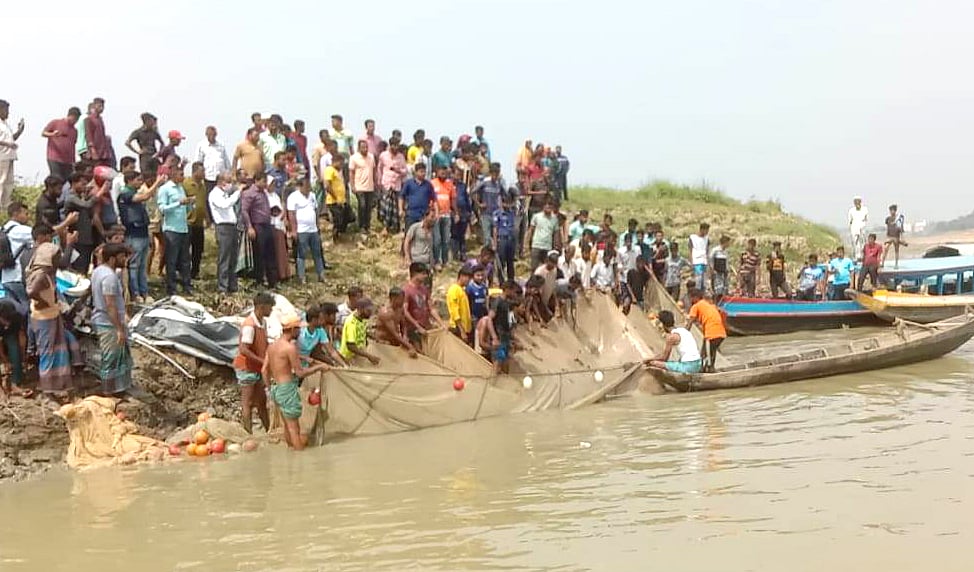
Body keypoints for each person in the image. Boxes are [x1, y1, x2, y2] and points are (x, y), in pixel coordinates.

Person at [263, 313, 329, 450]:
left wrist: (270, 389)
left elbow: (264, 370)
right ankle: (299, 458)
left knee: (287, 426)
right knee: (294, 428)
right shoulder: (289, 348)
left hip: (276, 389)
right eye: (298, 329)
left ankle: (291, 456)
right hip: (287, 388)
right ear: (292, 330)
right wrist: (319, 367)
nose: (300, 331)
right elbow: (300, 373)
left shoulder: (272, 346)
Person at [26, 242, 82, 396]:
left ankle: (56, 386)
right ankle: (47, 391)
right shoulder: (41, 275)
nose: (59, 260)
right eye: (57, 257)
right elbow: (31, 292)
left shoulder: (45, 273)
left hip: (50, 316)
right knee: (48, 353)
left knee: (56, 351)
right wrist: (44, 302)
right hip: (44, 318)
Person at [91, 243, 134, 396]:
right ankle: (109, 392)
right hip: (108, 323)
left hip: (105, 319)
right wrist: (119, 329)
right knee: (111, 358)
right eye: (122, 257)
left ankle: (118, 389)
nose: (125, 260)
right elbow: (110, 305)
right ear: (112, 259)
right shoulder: (109, 277)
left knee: (116, 356)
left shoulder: (98, 271)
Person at [117, 171, 164, 302]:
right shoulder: (125, 194)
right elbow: (145, 196)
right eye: (138, 180)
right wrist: (157, 183)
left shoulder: (133, 193)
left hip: (142, 232)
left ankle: (144, 292)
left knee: (142, 265)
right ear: (129, 180)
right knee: (134, 265)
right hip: (133, 234)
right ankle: (135, 293)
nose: (140, 182)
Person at [233, 292, 274, 433]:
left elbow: (264, 343)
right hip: (247, 367)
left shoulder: (262, 322)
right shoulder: (250, 325)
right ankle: (248, 434)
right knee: (248, 402)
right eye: (270, 308)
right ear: (262, 307)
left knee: (262, 402)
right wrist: (263, 361)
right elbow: (244, 349)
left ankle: (269, 430)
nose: (272, 310)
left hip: (257, 367)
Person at [157, 167, 194, 295]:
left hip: (183, 227)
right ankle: (171, 287)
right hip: (171, 229)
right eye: (181, 174)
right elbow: (162, 208)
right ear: (173, 174)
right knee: (171, 260)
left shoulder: (180, 188)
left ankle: (187, 285)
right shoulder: (165, 189)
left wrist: (189, 204)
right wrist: (178, 203)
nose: (183, 176)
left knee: (185, 259)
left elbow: (185, 208)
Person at [241, 175, 278, 288]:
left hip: (267, 225)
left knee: (271, 254)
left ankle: (272, 281)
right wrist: (249, 227)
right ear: (256, 181)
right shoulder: (249, 193)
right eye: (263, 181)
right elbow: (244, 211)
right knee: (259, 254)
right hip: (257, 226)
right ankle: (260, 280)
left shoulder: (263, 192)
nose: (265, 183)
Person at [208, 172, 242, 294]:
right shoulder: (215, 194)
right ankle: (223, 286)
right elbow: (224, 205)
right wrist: (238, 192)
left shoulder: (225, 194)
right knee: (225, 257)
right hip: (223, 227)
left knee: (233, 257)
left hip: (232, 227)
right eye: (228, 182)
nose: (230, 184)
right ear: (222, 182)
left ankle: (232, 285)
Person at [286, 177, 324, 284]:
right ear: (300, 186)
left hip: (313, 229)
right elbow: (291, 214)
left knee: (317, 253)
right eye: (306, 187)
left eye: (309, 186)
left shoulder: (312, 196)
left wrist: (317, 224)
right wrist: (294, 230)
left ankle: (321, 275)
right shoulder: (293, 197)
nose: (308, 189)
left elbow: (315, 210)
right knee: (301, 254)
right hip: (301, 230)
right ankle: (301, 276)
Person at [63, 173, 101, 273]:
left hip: (86, 239)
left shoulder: (80, 197)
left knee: (85, 266)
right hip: (78, 240)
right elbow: (86, 205)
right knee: (78, 267)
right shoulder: (71, 197)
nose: (84, 187)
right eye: (82, 184)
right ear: (74, 183)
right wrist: (100, 193)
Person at [1, 202, 34, 310]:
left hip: (5, 277)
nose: (27, 217)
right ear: (16, 214)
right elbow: (43, 234)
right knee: (26, 308)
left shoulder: (2, 230)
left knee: (11, 311)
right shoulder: (21, 230)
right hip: (18, 276)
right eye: (25, 213)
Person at [375, 287, 420, 357]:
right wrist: (410, 346)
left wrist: (405, 336)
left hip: (395, 341)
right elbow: (394, 334)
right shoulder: (386, 313)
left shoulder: (400, 308)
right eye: (401, 299)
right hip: (384, 342)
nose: (403, 301)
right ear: (393, 298)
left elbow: (403, 325)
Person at [183, 162, 210, 279]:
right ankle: (184, 272)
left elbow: (203, 203)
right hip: (188, 221)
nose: (204, 173)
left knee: (198, 249)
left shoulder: (203, 186)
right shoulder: (186, 184)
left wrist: (207, 218)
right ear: (195, 171)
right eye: (202, 171)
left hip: (199, 222)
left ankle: (195, 272)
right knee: (185, 249)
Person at [403, 262, 443, 338]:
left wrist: (441, 323)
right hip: (413, 329)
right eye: (423, 274)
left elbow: (431, 308)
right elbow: (405, 311)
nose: (425, 276)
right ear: (415, 274)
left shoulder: (424, 289)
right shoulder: (406, 290)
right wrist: (417, 326)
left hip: (426, 326)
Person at [488, 281, 520, 374]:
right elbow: (489, 319)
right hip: (499, 337)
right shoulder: (498, 302)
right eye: (513, 291)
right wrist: (494, 338)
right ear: (507, 290)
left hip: (506, 337)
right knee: (498, 362)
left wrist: (513, 337)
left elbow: (511, 320)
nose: (514, 294)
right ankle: (492, 384)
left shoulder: (509, 303)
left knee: (506, 361)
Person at [42, 107, 81, 180]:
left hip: (68, 161)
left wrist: (73, 161)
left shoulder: (74, 131)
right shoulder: (56, 123)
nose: (75, 121)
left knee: (68, 182)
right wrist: (53, 134)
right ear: (71, 116)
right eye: (75, 119)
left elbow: (73, 145)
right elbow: (43, 133)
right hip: (55, 158)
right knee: (57, 179)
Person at [377, 139, 407, 234]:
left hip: (396, 185)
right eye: (394, 145)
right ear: (390, 145)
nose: (395, 147)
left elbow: (405, 171)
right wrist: (379, 181)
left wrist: (398, 171)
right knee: (386, 207)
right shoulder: (383, 155)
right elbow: (379, 168)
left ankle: (395, 228)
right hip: (386, 183)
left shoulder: (401, 157)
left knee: (395, 208)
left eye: (397, 145)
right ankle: (385, 228)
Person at [339, 298, 381, 365]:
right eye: (368, 311)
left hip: (359, 353)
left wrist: (375, 338)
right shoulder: (351, 323)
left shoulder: (362, 318)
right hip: (349, 357)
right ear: (360, 309)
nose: (370, 314)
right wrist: (369, 356)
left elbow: (362, 330)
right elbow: (351, 346)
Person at [1, 101, 26, 209]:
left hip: (9, 155)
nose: (8, 113)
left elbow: (11, 139)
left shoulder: (5, 124)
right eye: (6, 110)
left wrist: (19, 131)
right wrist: (8, 144)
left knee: (9, 182)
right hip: (1, 155)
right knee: (1, 180)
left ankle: (6, 205)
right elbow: (6, 142)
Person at [349, 140, 377, 236]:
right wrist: (352, 186)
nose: (365, 149)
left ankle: (367, 226)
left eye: (366, 147)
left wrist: (375, 182)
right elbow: (351, 173)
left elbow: (374, 170)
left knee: (369, 208)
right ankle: (361, 226)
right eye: (363, 147)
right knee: (362, 206)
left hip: (370, 186)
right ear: (359, 148)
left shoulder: (371, 157)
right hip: (359, 186)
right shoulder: (354, 158)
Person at [0, 298, 27, 397]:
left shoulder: (18, 315)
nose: (8, 322)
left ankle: (15, 383)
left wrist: (23, 356)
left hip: (10, 333)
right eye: (5, 319)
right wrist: (5, 361)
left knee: (14, 349)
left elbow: (21, 337)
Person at [430, 165, 456, 269]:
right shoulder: (432, 183)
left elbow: (453, 199)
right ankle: (437, 262)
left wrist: (456, 212)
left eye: (445, 172)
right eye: (441, 172)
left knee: (446, 240)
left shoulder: (450, 184)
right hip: (436, 215)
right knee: (437, 240)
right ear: (437, 172)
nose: (443, 174)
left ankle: (445, 261)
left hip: (447, 215)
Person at [125, 113, 164, 177]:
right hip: (145, 157)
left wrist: (159, 153)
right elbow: (127, 143)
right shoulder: (138, 132)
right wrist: (138, 152)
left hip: (154, 155)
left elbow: (162, 143)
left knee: (157, 175)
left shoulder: (154, 132)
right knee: (145, 175)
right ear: (147, 121)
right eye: (152, 121)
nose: (153, 123)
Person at [399, 162, 435, 230]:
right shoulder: (409, 183)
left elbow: (434, 199)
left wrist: (433, 212)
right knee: (409, 235)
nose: (423, 174)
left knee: (422, 236)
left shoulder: (428, 185)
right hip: (411, 215)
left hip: (423, 215)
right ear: (415, 172)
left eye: (424, 172)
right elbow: (401, 197)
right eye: (421, 172)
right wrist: (401, 209)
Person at [525, 199, 559, 269]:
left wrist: (556, 246)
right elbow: (531, 230)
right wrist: (526, 244)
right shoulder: (536, 216)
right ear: (543, 206)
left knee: (546, 268)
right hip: (536, 245)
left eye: (550, 205)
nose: (548, 207)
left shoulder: (555, 219)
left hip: (547, 247)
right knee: (534, 267)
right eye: (546, 205)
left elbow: (556, 234)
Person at [195, 126, 230, 192]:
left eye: (214, 134)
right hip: (208, 178)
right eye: (210, 134)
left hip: (220, 178)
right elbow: (198, 162)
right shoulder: (201, 145)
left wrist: (229, 173)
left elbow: (226, 161)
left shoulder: (221, 145)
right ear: (206, 134)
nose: (212, 136)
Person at [492, 193, 518, 283]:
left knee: (510, 262)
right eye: (506, 203)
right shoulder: (497, 213)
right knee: (501, 261)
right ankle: (501, 281)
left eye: (509, 203)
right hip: (502, 239)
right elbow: (495, 229)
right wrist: (495, 244)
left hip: (511, 239)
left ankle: (511, 281)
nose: (507, 205)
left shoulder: (512, 212)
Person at [322, 153, 348, 240]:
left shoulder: (337, 171)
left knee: (349, 217)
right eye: (341, 163)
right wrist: (335, 197)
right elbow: (327, 185)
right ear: (335, 162)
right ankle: (335, 237)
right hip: (333, 201)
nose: (342, 166)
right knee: (338, 220)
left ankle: (340, 234)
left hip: (341, 201)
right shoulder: (329, 169)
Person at [446, 267, 474, 344]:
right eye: (467, 278)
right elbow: (455, 311)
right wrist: (462, 331)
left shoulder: (462, 290)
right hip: (458, 328)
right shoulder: (454, 289)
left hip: (465, 328)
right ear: (461, 276)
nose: (468, 280)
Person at [882, 204, 907, 268]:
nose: (892, 212)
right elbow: (888, 228)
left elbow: (901, 229)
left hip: (896, 236)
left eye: (893, 210)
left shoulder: (899, 218)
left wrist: (903, 239)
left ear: (895, 211)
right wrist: (886, 237)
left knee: (896, 250)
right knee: (885, 248)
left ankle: (896, 264)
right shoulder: (888, 219)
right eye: (891, 210)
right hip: (889, 236)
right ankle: (882, 263)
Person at [709, 235, 731, 301]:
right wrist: (712, 269)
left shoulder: (725, 252)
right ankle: (716, 302)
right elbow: (710, 260)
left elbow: (727, 261)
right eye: (728, 242)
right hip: (717, 271)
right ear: (725, 242)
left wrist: (727, 270)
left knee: (724, 288)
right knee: (718, 288)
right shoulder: (715, 250)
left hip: (724, 272)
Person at [688, 223, 710, 290]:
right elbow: (690, 250)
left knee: (704, 282)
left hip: (704, 262)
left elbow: (707, 251)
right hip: (696, 262)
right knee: (698, 280)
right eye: (706, 230)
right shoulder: (693, 238)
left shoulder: (707, 239)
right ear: (702, 229)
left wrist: (708, 262)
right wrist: (691, 262)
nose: (707, 232)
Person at [848, 196, 869, 261]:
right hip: (854, 227)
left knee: (863, 242)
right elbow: (850, 221)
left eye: (858, 201)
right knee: (855, 242)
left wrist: (862, 226)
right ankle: (857, 257)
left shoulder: (865, 209)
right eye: (855, 201)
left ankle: (863, 256)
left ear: (860, 202)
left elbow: (866, 218)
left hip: (862, 227)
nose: (857, 203)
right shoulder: (851, 210)